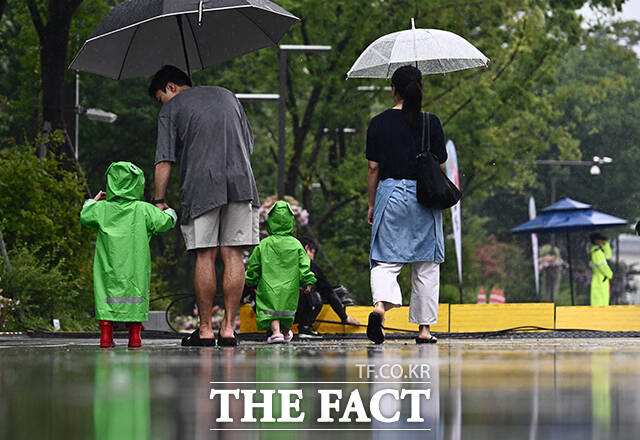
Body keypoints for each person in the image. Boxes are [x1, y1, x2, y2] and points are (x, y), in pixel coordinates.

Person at [149, 65, 260, 347]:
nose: (163, 103)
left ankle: (206, 330)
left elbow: (164, 160)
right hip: (241, 182)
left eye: (161, 97)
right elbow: (248, 144)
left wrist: (159, 200)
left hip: (201, 186)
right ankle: (228, 329)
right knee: (234, 255)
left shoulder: (171, 110)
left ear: (170, 87)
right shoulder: (228, 95)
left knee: (205, 255)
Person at [365, 65, 447, 345]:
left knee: (386, 260)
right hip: (424, 196)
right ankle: (424, 330)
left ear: (394, 89)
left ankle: (379, 308)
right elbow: (441, 164)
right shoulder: (431, 122)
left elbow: (373, 168)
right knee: (426, 264)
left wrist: (372, 205)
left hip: (390, 195)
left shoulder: (378, 122)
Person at [80, 162, 177, 348]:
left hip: (108, 269)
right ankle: (134, 337)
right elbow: (165, 222)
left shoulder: (101, 209)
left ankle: (106, 338)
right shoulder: (143, 209)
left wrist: (93, 200)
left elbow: (85, 215)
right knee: (136, 297)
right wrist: (170, 211)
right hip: (135, 271)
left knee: (105, 295)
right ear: (138, 183)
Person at [245, 201, 317, 343]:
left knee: (271, 309)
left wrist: (251, 279)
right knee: (286, 310)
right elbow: (304, 265)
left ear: (270, 221)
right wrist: (307, 281)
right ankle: (285, 332)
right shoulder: (296, 244)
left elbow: (254, 264)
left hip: (268, 285)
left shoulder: (264, 244)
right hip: (290, 286)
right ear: (291, 222)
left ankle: (276, 332)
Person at [294, 237, 361, 339]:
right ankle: (305, 327)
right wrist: (344, 317)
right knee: (316, 295)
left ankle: (275, 329)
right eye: (313, 253)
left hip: (278, 310)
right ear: (307, 249)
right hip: (297, 309)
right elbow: (328, 291)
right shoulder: (309, 265)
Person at [589, 232, 613, 306]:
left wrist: (606, 245)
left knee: (604, 301)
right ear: (596, 241)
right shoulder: (597, 252)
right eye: (601, 240)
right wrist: (610, 274)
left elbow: (608, 256)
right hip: (600, 281)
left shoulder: (600, 251)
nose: (603, 241)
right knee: (600, 302)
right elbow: (603, 267)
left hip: (602, 280)